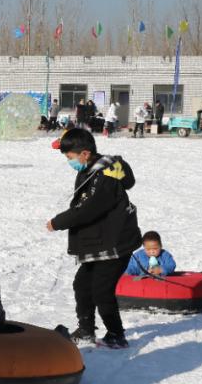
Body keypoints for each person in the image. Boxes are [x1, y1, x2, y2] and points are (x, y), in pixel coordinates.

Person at [46, 128, 141, 348]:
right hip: (99, 242)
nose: (69, 162)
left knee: (101, 291)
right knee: (82, 285)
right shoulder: (90, 169)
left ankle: (116, 334)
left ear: (85, 154)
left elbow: (89, 209)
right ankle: (86, 330)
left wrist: (58, 222)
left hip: (115, 245)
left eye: (70, 158)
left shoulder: (104, 176)